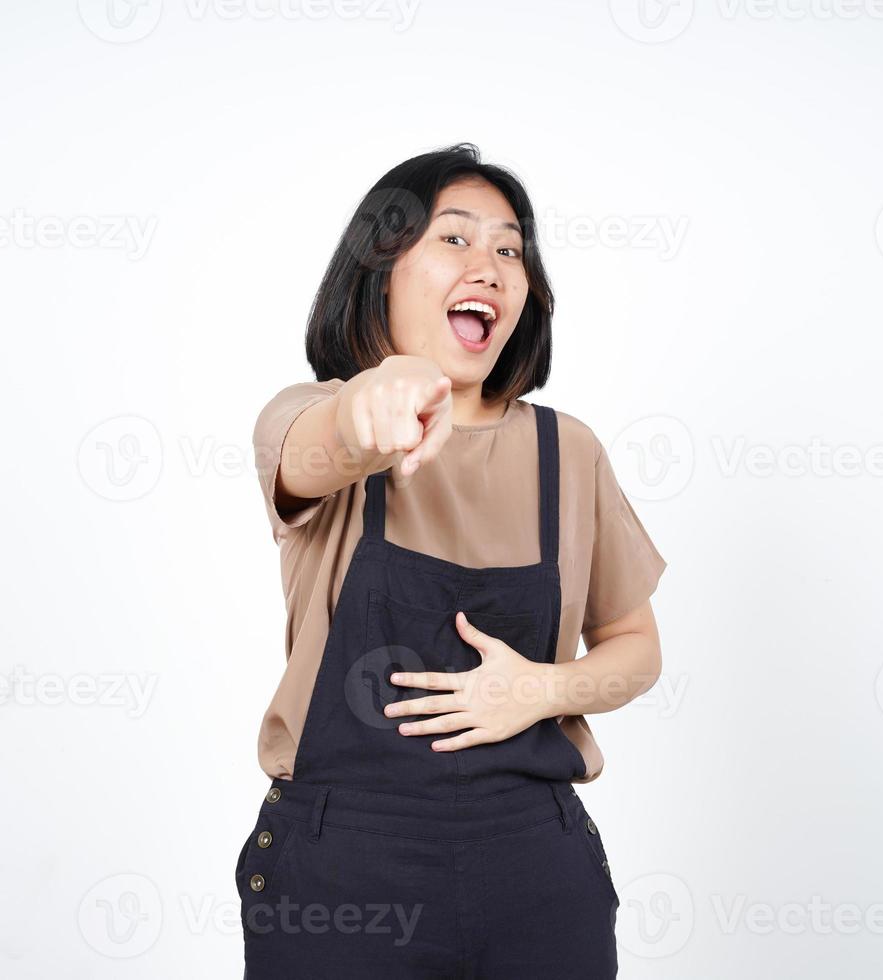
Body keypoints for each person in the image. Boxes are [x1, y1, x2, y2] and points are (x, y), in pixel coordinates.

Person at [238, 142, 667, 978]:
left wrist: (543, 688)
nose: (493, 267)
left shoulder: (568, 453)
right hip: (342, 878)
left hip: (535, 872)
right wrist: (382, 395)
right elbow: (329, 442)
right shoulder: (307, 417)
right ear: (381, 272)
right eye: (457, 240)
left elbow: (637, 649)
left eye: (511, 249)